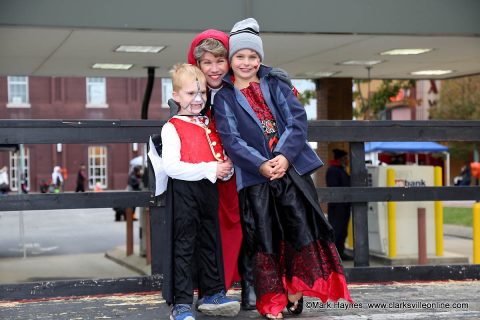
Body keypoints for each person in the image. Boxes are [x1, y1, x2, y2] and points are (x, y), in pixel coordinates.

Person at [213, 18, 352, 319]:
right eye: (240, 56)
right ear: (231, 59)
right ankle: (271, 301)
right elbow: (231, 140)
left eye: (253, 56)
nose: (247, 62)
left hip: (290, 173)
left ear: (260, 58)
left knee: (298, 231)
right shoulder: (223, 96)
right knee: (264, 239)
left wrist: (284, 157)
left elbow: (297, 122)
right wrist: (261, 164)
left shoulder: (275, 83)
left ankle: (295, 289)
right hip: (254, 178)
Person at [160, 63, 240, 320]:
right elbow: (172, 168)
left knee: (210, 241)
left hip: (209, 192)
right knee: (184, 245)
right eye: (190, 94)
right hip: (185, 192)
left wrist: (225, 169)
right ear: (176, 96)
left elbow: (219, 154)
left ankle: (212, 292)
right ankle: (181, 303)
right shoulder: (172, 127)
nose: (198, 99)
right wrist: (211, 169)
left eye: (202, 93)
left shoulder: (209, 123)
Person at [188, 28, 252, 309]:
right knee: (206, 229)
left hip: (246, 171)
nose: (214, 69)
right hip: (206, 175)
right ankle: (214, 287)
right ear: (197, 65)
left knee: (249, 226)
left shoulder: (243, 88)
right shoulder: (189, 95)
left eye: (220, 61)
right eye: (206, 63)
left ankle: (251, 284)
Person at [326, 149, 352, 261]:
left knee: (343, 231)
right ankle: (333, 256)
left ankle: (340, 253)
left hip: (344, 206)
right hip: (337, 207)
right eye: (345, 158)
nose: (347, 160)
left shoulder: (341, 170)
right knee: (336, 230)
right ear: (340, 159)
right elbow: (334, 187)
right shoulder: (333, 170)